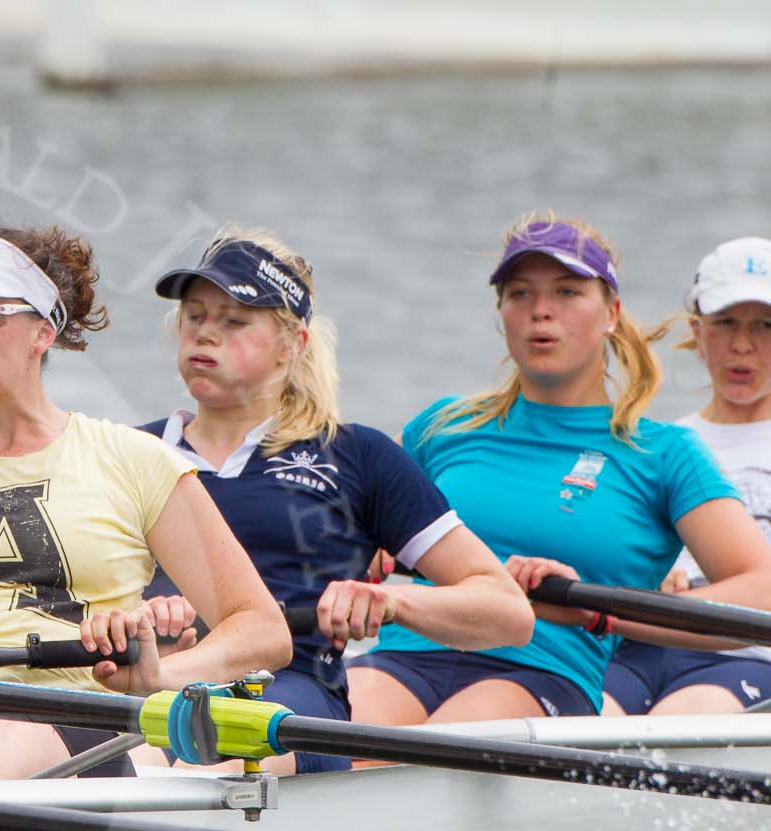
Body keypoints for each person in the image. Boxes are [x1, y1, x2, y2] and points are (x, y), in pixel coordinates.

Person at [0, 222, 289, 781]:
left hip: (74, 713)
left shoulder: (134, 460)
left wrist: (159, 676)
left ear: (41, 333)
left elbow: (262, 630)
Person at [137, 228, 531, 773]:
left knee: (188, 761)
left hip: (288, 694)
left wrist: (394, 603)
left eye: (233, 321)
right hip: (148, 681)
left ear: (291, 346)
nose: (206, 334)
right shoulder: (129, 452)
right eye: (195, 316)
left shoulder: (355, 455)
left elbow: (507, 612)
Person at [352, 214, 771, 724]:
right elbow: (325, 533)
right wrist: (361, 544)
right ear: (501, 311)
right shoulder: (442, 426)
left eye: (568, 292)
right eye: (521, 294)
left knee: (426, 756)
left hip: (543, 675)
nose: (541, 312)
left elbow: (760, 593)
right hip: (405, 656)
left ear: (612, 313)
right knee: (314, 747)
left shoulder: (663, 453)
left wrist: (599, 614)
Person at [603, 236, 771, 715]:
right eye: (725, 324)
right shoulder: (660, 445)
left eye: (765, 325)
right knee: (590, 712)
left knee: (677, 722)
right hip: (645, 646)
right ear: (697, 333)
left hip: (754, 652)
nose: (743, 345)